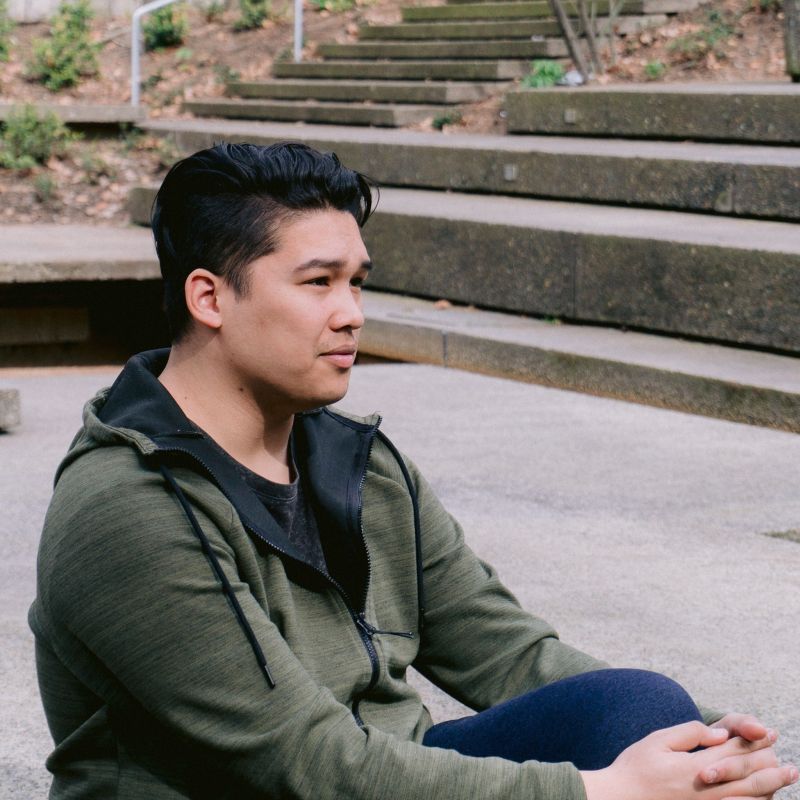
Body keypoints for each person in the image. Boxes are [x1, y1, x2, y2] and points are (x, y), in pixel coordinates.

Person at [30, 142, 797, 800]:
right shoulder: (130, 504)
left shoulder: (353, 462)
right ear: (210, 298)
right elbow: (307, 764)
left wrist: (703, 747)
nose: (353, 312)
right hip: (287, 787)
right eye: (318, 282)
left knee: (643, 711)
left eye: (357, 281)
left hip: (378, 778)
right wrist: (597, 790)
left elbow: (509, 653)